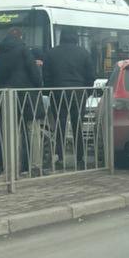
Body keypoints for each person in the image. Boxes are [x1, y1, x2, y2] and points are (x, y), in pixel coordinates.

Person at [0, 26, 42, 174]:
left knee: (9, 132)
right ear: (20, 37)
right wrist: (38, 85)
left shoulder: (0, 53)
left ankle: (9, 167)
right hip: (25, 96)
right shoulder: (23, 50)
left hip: (6, 97)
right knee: (31, 131)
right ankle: (33, 167)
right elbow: (34, 74)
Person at [42, 29, 94, 167]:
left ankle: (59, 157)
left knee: (60, 125)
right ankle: (80, 158)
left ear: (61, 38)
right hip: (78, 92)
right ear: (75, 38)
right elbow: (90, 76)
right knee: (78, 125)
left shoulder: (51, 53)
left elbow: (46, 75)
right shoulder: (84, 53)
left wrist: (49, 90)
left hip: (58, 92)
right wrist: (86, 92)